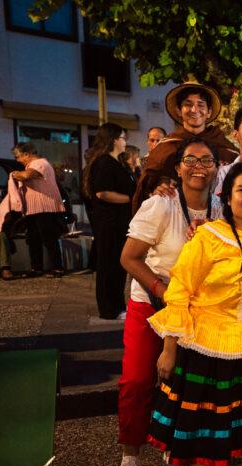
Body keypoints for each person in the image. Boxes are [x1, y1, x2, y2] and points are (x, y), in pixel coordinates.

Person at [147, 160, 242, 466]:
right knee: (202, 440)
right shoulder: (207, 237)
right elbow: (179, 291)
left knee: (228, 435)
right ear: (227, 196)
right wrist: (169, 348)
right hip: (203, 348)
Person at [116, 138, 219, 466]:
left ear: (217, 169)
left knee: (181, 383)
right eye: (190, 160)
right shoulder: (162, 203)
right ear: (177, 168)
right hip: (151, 302)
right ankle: (131, 452)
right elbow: (129, 258)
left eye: (207, 160)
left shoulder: (221, 209)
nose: (198, 167)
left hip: (196, 310)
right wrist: (163, 291)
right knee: (136, 379)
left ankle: (172, 450)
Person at [133, 81, 239, 212]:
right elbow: (147, 183)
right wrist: (158, 185)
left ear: (209, 112)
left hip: (218, 215)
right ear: (179, 110)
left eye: (200, 105)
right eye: (188, 105)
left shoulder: (223, 145)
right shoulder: (166, 146)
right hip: (173, 213)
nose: (194, 110)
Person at [83, 123, 135, 320]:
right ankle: (108, 308)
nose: (125, 142)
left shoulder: (117, 162)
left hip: (119, 222)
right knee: (108, 266)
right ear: (114, 139)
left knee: (118, 266)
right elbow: (103, 193)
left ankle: (117, 305)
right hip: (109, 223)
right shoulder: (104, 162)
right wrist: (130, 199)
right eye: (123, 138)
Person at [11, 142, 66, 277]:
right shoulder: (35, 164)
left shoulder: (39, 164)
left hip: (44, 208)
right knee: (33, 239)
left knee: (48, 239)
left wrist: (15, 174)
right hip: (34, 209)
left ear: (27, 154)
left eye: (18, 157)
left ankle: (57, 268)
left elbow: (26, 176)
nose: (18, 160)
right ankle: (36, 269)